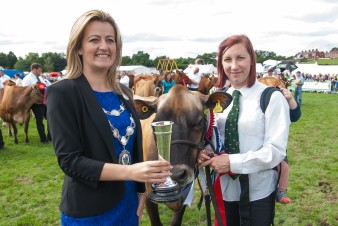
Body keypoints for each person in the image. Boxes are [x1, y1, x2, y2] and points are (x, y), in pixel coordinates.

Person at [46, 9, 172, 225]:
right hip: (89, 210)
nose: (104, 46)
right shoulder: (63, 92)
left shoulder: (124, 92)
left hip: (129, 203)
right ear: (78, 48)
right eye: (94, 40)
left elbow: (133, 148)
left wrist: (141, 189)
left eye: (110, 40)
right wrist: (131, 172)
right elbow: (70, 161)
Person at [198, 35, 290, 226]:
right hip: (226, 190)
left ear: (251, 60)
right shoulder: (219, 100)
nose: (234, 66)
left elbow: (275, 151)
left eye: (240, 58)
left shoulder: (271, 98)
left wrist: (233, 162)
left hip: (258, 190)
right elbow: (215, 138)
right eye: (227, 59)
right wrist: (205, 152)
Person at [276, 87, 301, 204]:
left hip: (278, 141)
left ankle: (281, 191)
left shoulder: (282, 101)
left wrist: (290, 98)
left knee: (283, 166)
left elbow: (296, 115)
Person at [22, 63, 51, 144]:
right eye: (39, 70)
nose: (40, 71)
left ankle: (50, 136)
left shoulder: (40, 77)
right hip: (36, 103)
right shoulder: (27, 79)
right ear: (34, 70)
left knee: (50, 119)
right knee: (40, 121)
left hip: (44, 101)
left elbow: (47, 85)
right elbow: (25, 92)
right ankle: (43, 139)